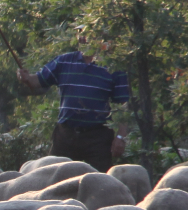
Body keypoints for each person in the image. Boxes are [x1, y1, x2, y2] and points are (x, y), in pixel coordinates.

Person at [17, 36, 130, 172]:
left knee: (99, 182)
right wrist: (27, 78)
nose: (82, 38)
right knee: (54, 178)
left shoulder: (113, 67)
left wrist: (120, 137)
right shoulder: (63, 61)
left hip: (98, 138)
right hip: (66, 135)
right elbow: (38, 81)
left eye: (86, 34)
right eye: (79, 33)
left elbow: (124, 106)